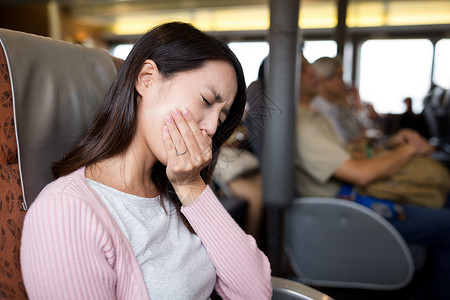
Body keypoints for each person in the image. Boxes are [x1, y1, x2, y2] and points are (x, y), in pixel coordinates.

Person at [20, 22, 272, 299]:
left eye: (221, 117)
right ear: (147, 78)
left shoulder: (177, 187)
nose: (212, 128)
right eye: (205, 100)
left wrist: (191, 186)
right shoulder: (66, 211)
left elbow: (255, 293)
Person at [296, 55, 450, 300]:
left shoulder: (314, 116)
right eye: (305, 69)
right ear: (284, 78)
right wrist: (408, 150)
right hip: (350, 208)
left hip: (354, 198)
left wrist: (391, 145)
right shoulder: (301, 125)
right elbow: (361, 173)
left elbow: (353, 154)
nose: (314, 74)